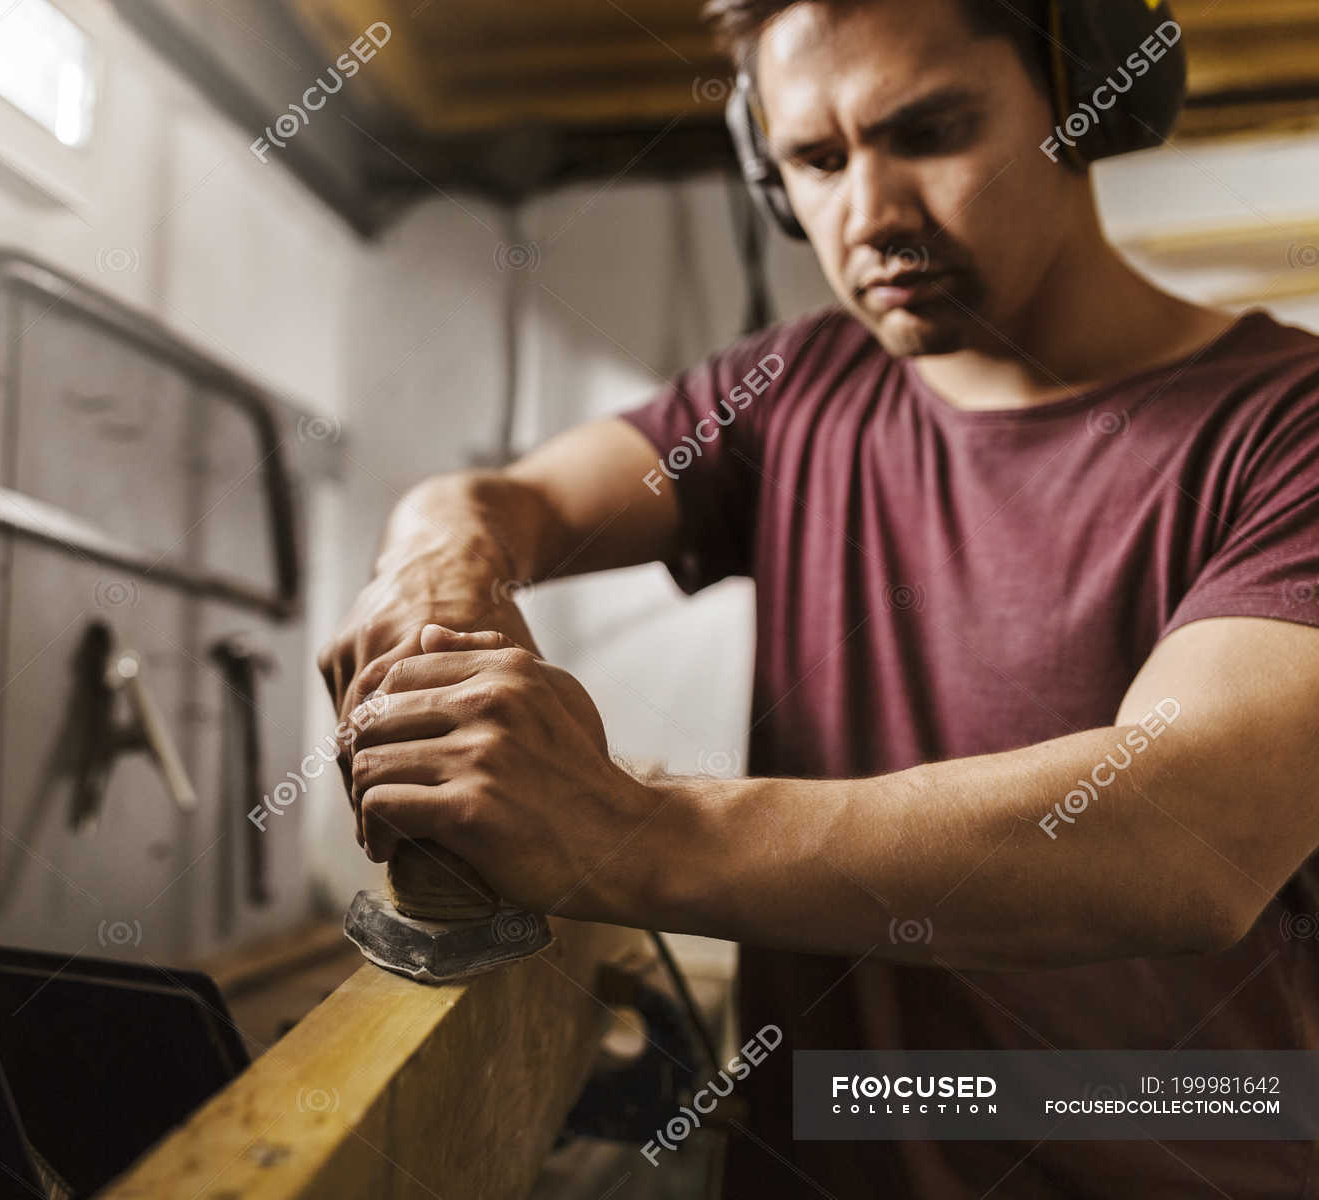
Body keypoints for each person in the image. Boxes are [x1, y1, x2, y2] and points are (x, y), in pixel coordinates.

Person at [316, 0, 1319, 1194]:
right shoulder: (787, 391)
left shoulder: (1287, 428)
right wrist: (438, 560)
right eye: (818, 160)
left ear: (1089, 93)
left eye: (934, 131)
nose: (872, 217)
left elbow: (1185, 834)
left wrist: (625, 830)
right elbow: (501, 500)